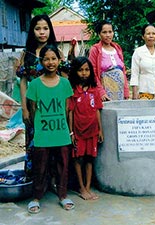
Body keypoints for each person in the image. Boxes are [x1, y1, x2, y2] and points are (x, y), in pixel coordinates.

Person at [16, 14, 68, 181]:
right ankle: (35, 181)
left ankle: (54, 181)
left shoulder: (56, 52)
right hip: (33, 107)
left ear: (50, 30)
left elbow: (65, 79)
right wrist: (24, 109)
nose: (42, 32)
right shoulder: (27, 54)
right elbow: (23, 83)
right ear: (32, 31)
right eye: (37, 28)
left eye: (45, 28)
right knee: (34, 143)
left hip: (53, 109)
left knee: (55, 145)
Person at [26, 44, 74, 213]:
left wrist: (70, 131)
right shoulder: (35, 85)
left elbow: (68, 110)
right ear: (41, 61)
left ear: (59, 61)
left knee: (63, 165)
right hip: (43, 134)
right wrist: (38, 128)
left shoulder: (65, 83)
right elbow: (32, 110)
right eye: (46, 59)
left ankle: (63, 195)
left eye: (54, 58)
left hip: (61, 133)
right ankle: (36, 197)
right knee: (40, 166)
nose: (50, 62)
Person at [68, 56, 104, 200]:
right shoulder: (72, 91)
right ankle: (81, 188)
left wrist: (100, 130)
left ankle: (88, 187)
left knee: (90, 159)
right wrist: (71, 132)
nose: (84, 73)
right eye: (80, 70)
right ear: (75, 72)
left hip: (92, 131)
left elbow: (97, 110)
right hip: (78, 132)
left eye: (87, 70)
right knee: (78, 159)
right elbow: (70, 112)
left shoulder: (94, 90)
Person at [89, 20, 129, 101]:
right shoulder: (95, 50)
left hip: (120, 91)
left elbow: (123, 71)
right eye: (104, 32)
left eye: (110, 32)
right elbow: (93, 73)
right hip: (105, 91)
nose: (108, 35)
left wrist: (126, 91)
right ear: (99, 34)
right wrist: (101, 92)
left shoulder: (117, 48)